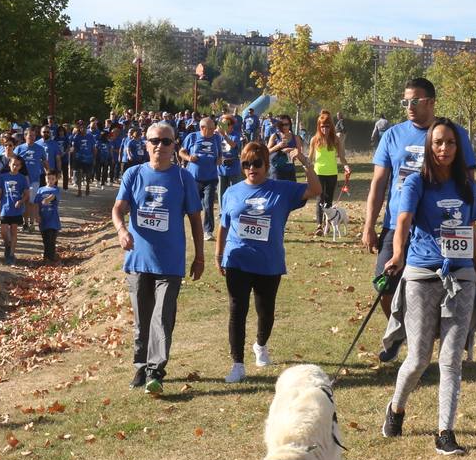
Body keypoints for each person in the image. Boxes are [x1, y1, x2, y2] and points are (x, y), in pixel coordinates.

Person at [380, 118, 476, 457]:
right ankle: (396, 408)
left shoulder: (467, 186)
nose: (444, 149)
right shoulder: (416, 183)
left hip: (462, 277)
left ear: (459, 148)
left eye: (451, 143)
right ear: (430, 146)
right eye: (438, 142)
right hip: (422, 275)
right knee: (419, 358)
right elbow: (402, 222)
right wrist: (397, 254)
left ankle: (445, 432)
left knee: (451, 359)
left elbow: (473, 233)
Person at [362, 77, 476, 345]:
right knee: (385, 283)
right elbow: (379, 183)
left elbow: (468, 181)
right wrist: (369, 225)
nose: (409, 106)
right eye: (406, 101)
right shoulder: (392, 135)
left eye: (415, 101)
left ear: (431, 102)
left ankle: (427, 344)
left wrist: (468, 224)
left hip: (443, 225)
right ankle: (404, 331)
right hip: (397, 223)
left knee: (444, 289)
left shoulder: (454, 134)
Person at [112, 121, 205, 396]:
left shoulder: (183, 178)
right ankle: (140, 365)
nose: (160, 146)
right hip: (138, 261)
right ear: (146, 144)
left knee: (162, 318)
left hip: (170, 262)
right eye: (155, 140)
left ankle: (155, 370)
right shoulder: (133, 174)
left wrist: (199, 257)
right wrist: (121, 230)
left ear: (175, 145)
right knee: (142, 319)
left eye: (166, 141)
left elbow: (196, 220)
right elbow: (118, 209)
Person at [216, 141, 320, 383]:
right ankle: (237, 364)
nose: (251, 168)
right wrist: (218, 254)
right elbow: (224, 226)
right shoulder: (232, 192)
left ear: (266, 163)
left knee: (266, 311)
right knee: (236, 310)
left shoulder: (281, 189)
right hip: (237, 259)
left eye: (256, 163)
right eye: (246, 164)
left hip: (268, 262)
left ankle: (260, 345)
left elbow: (315, 189)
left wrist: (305, 161)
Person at [180, 116, 225, 233]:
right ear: (202, 128)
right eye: (210, 128)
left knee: (208, 204)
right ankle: (179, 226)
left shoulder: (216, 138)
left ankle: (208, 231)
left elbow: (220, 154)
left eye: (213, 128)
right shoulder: (192, 137)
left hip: (211, 177)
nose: (212, 130)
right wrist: (189, 157)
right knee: (191, 205)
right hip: (194, 177)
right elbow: (181, 152)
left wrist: (220, 159)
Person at [309, 109, 351, 234]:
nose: (325, 129)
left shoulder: (336, 140)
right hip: (318, 173)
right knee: (320, 199)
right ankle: (319, 226)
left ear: (331, 127)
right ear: (319, 127)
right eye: (322, 126)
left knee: (329, 201)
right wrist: (308, 172)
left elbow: (342, 156)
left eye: (327, 126)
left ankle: (327, 225)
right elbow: (310, 158)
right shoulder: (314, 140)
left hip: (332, 173)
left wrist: (346, 166)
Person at [0, 154, 29, 266]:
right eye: (13, 164)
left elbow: (27, 194)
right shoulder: (3, 177)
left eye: (17, 165)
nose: (15, 166)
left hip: (16, 209)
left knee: (14, 231)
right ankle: (7, 244)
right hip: (5, 208)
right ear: (9, 165)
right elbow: (0, 193)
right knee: (3, 231)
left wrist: (21, 201)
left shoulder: (22, 178)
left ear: (20, 166)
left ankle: (11, 254)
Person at [34, 168, 62, 263]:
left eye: (52, 179)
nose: (50, 181)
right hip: (43, 219)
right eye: (48, 178)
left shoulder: (56, 189)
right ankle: (46, 257)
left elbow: (53, 196)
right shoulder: (40, 190)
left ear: (56, 180)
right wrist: (37, 215)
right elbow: (36, 204)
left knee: (51, 239)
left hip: (53, 219)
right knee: (45, 239)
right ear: (45, 178)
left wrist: (47, 199)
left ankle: (51, 257)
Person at [266, 115, 301, 182]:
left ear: (290, 125)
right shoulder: (274, 136)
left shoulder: (296, 137)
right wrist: (278, 146)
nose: (284, 127)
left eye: (286, 124)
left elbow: (299, 153)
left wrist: (292, 150)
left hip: (290, 170)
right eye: (282, 124)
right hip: (276, 170)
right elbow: (266, 152)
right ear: (278, 125)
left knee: (291, 191)